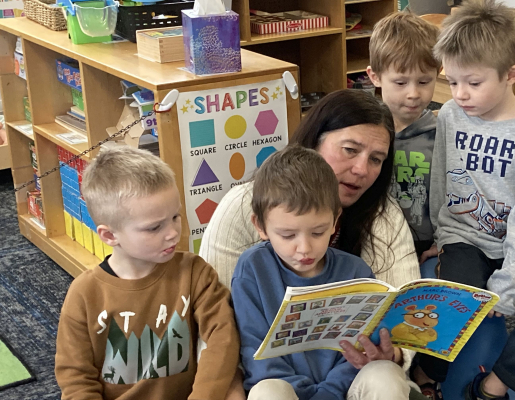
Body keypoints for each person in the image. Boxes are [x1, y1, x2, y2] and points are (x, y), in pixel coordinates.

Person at [199, 90, 422, 398]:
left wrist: (393, 354)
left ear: (334, 223)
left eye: (376, 159)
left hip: (346, 386)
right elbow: (231, 334)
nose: (361, 169)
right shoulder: (248, 238)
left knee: (384, 375)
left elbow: (384, 332)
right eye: (349, 150)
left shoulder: (366, 249)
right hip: (277, 386)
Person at [418, 1, 515, 399]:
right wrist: (440, 231)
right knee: (452, 303)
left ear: (511, 74)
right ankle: (428, 377)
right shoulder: (450, 114)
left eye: (472, 82)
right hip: (463, 236)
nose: (459, 94)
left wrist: (508, 286)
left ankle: (495, 384)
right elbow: (442, 179)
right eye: (452, 82)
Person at [55, 147, 242, 399]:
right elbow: (75, 377)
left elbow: (223, 337)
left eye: (175, 216)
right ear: (110, 235)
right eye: (154, 227)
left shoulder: (194, 272)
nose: (173, 232)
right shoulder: (84, 293)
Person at [231, 145, 385, 400]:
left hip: (344, 391)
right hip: (284, 390)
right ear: (260, 226)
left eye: (318, 232)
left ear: (335, 220)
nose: (305, 249)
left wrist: (328, 393)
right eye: (288, 235)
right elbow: (256, 353)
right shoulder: (253, 268)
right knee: (267, 392)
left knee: (385, 374)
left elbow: (360, 351)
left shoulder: (356, 271)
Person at [366, 11, 440, 262]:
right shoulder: (362, 132)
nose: (413, 94)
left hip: (427, 247)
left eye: (423, 81)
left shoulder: (441, 136)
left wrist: (443, 242)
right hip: (375, 243)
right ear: (374, 76)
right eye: (400, 83)